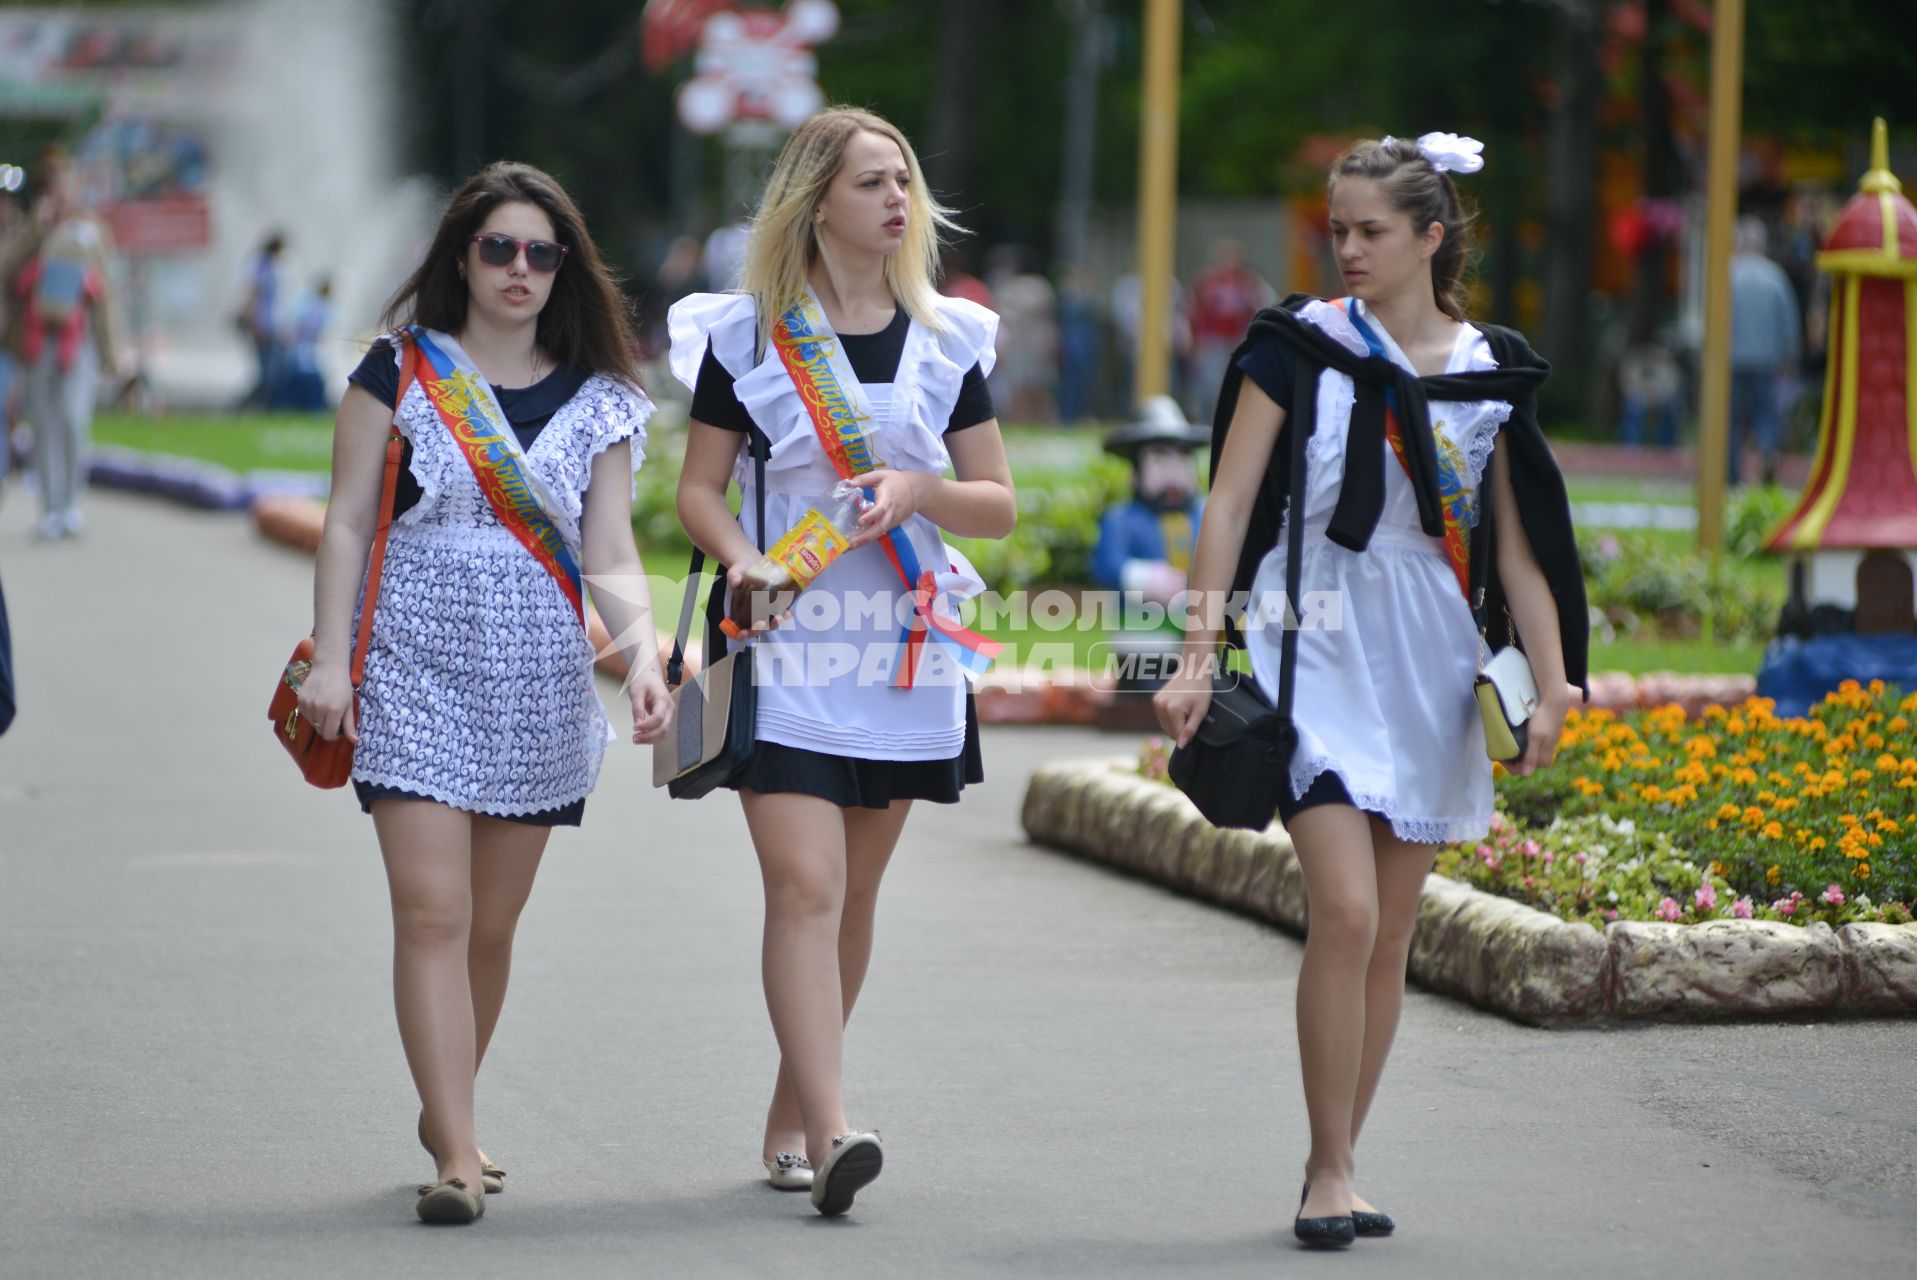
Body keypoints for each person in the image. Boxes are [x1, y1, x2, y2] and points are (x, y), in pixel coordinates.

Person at [1155, 133, 1587, 1249]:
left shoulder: (1490, 367)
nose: (1345, 248)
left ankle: (1334, 1161)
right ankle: (1328, 1165)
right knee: (1344, 910)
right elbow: (1229, 500)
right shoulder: (1295, 349)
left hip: (1433, 654)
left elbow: (1525, 550)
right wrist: (1198, 654)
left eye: (1370, 231)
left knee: (1391, 931)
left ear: (1431, 237)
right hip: (1315, 637)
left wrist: (1552, 682)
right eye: (1336, 229)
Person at [297, 161, 672, 1225]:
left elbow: (609, 549)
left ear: (566, 268)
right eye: (499, 247)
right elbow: (346, 521)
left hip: (539, 679)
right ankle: (457, 1152)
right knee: (434, 909)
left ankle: (446, 1101)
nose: (520, 268)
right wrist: (333, 656)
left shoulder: (602, 400)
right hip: (411, 660)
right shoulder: (399, 369)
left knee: (490, 927)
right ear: (461, 256)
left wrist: (642, 654)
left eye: (541, 252)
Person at [671, 106, 1015, 1217]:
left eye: (904, 180)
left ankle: (788, 1115)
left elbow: (998, 506)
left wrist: (919, 492)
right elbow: (696, 490)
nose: (897, 200)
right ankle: (833, 1130)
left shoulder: (950, 337)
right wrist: (742, 559)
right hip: (781, 642)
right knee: (805, 884)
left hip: (903, 645)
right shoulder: (749, 335)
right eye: (873, 182)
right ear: (816, 201)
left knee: (853, 895)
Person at [12, 159, 123, 542]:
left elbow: (106, 296)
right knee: (44, 425)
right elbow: (6, 270)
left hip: (79, 343)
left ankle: (71, 503)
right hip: (38, 341)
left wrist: (111, 352)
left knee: (75, 420)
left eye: (67, 186)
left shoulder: (89, 232)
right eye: (55, 187)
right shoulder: (33, 230)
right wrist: (35, 228)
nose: (63, 194)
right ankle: (50, 508)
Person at [1728, 215, 1800, 486]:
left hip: (1732, 359)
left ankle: (1731, 475)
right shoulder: (1775, 277)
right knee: (1765, 418)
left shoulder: (1728, 274)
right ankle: (1768, 461)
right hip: (1767, 360)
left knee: (1732, 421)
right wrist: (1789, 356)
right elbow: (1788, 321)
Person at [1188, 238, 1274, 420]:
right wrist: (1197, 343)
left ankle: (1232, 420)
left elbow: (1264, 305)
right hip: (1213, 341)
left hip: (1237, 340)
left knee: (1236, 382)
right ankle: (1208, 422)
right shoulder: (1207, 281)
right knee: (1209, 386)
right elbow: (1196, 312)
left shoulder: (1247, 280)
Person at [238, 231, 287, 410]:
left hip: (269, 324)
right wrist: (255, 326)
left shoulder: (268, 266)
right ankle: (243, 406)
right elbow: (253, 297)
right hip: (262, 325)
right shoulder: (261, 267)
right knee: (266, 372)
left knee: (271, 370)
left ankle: (261, 406)